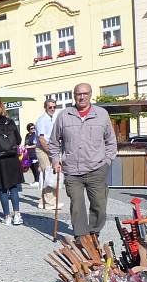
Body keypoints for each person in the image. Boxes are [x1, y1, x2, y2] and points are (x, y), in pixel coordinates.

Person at [49, 83, 117, 238]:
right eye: (79, 94)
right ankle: (81, 236)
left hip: (97, 168)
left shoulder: (102, 114)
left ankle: (94, 232)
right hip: (72, 171)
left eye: (85, 93)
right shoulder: (64, 115)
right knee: (77, 206)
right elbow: (53, 143)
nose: (82, 97)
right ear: (74, 96)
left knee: (99, 206)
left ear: (90, 95)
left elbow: (111, 142)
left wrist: (107, 161)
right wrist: (55, 160)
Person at [0, 101, 24, 226]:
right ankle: (17, 215)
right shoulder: (11, 122)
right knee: (13, 187)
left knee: (2, 189)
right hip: (12, 158)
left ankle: (7, 217)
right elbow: (18, 140)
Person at [35, 99, 62, 210]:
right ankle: (50, 202)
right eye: (50, 107)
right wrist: (50, 152)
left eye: (54, 107)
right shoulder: (42, 119)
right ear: (45, 107)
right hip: (43, 149)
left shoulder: (53, 119)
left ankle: (43, 201)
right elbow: (41, 139)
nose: (52, 109)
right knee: (49, 175)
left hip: (51, 149)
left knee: (49, 174)